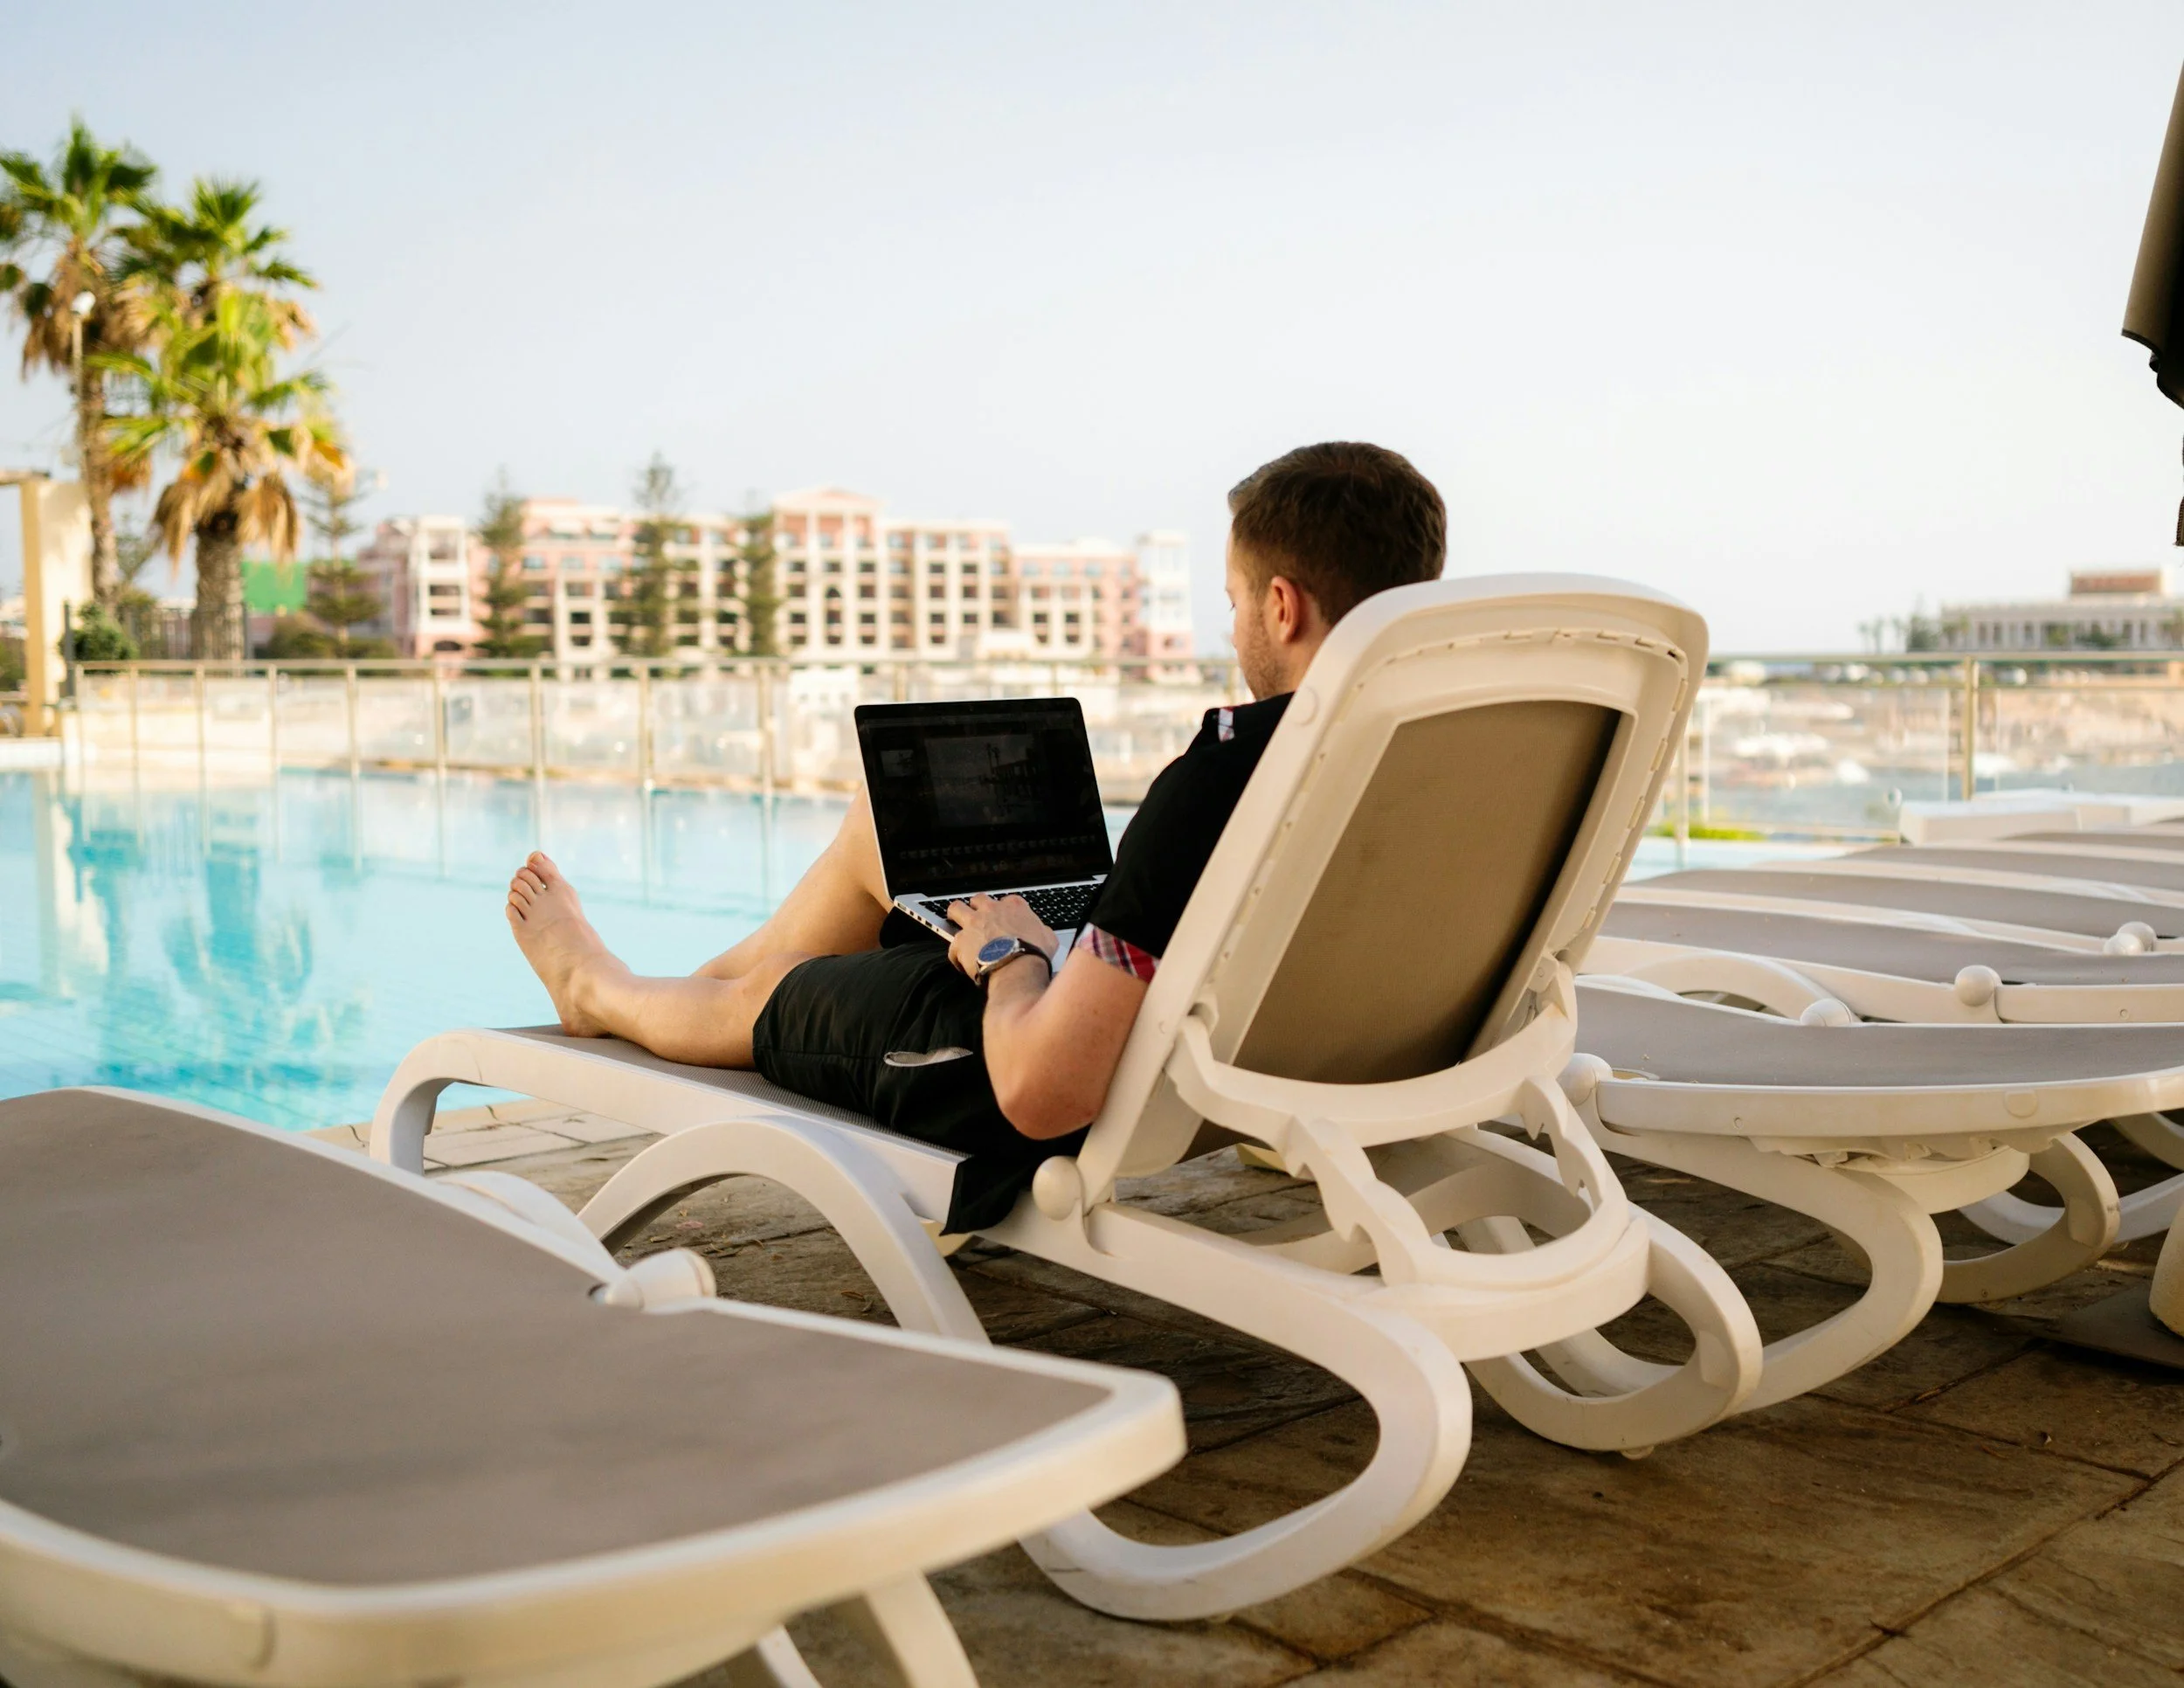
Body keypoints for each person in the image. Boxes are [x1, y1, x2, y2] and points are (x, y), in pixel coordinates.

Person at [506, 442, 1447, 1228]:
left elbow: (1044, 1092)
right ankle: (698, 993)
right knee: (882, 832)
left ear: (1282, 606)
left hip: (1033, 1073)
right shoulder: (1448, 761)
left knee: (785, 992)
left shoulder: (1224, 778)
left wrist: (1011, 956)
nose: (1234, 622)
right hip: (1271, 1052)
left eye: (1237, 599)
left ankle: (607, 991)